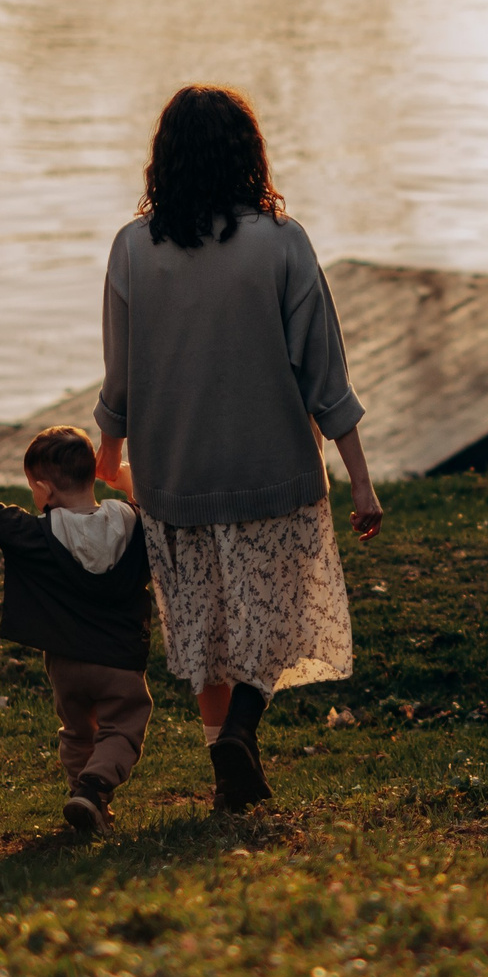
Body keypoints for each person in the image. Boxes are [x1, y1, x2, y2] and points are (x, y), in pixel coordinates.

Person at [93, 85, 384, 813]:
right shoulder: (283, 241)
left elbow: (119, 375)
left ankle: (227, 760)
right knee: (278, 617)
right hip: (273, 471)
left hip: (173, 474)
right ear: (248, 153)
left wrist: (108, 455)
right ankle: (239, 738)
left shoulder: (132, 247)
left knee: (205, 630)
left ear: (165, 158)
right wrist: (361, 480)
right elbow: (325, 374)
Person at [0, 426, 154, 835]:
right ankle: (94, 790)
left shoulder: (36, 534)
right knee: (122, 727)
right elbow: (156, 511)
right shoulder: (131, 524)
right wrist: (128, 481)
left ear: (43, 489)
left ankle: (84, 801)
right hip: (119, 662)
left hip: (65, 664)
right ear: (93, 476)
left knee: (78, 733)